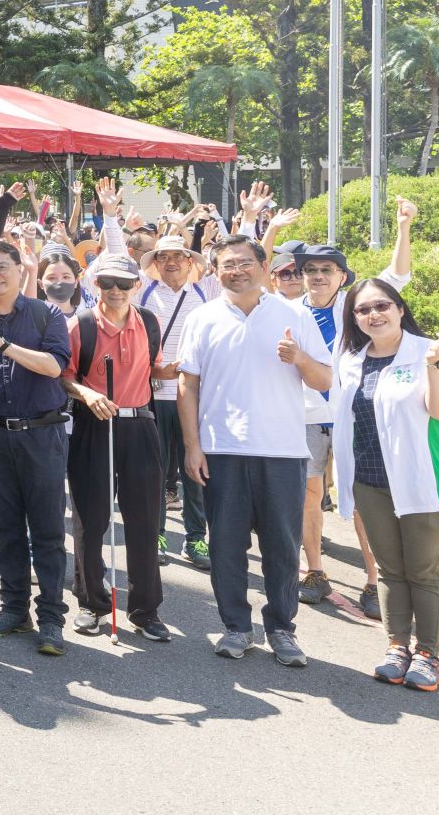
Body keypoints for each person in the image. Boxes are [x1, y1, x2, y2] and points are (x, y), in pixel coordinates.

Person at [178, 235, 332, 668]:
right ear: (215, 270)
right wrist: (193, 447)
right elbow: (188, 385)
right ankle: (236, 626)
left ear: (264, 267)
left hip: (282, 450)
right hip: (222, 449)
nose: (237, 270)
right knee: (225, 544)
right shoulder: (203, 318)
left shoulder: (293, 316)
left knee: (282, 546)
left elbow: (323, 380)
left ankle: (281, 628)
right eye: (228, 264)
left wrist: (299, 358)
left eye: (245, 262)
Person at [332, 279, 439, 691]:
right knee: (391, 570)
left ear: (399, 308)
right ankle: (397, 646)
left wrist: (432, 365)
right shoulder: (351, 361)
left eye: (382, 305)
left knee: (426, 571)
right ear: (354, 318)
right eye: (363, 310)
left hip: (429, 480)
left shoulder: (428, 350)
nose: (374, 315)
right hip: (372, 482)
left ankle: (429, 654)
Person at [0, 238, 74, 655]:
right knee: (5, 530)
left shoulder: (47, 314)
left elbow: (54, 367)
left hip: (42, 435)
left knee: (48, 531)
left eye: (2, 266)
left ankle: (53, 618)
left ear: (21, 269)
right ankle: (14, 610)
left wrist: (2, 345)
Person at [294, 197, 415, 614]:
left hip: (355, 419)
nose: (316, 277)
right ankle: (314, 571)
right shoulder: (289, 311)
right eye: (309, 270)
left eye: (325, 270)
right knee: (310, 498)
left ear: (341, 276)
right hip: (308, 418)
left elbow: (397, 277)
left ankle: (373, 580)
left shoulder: (358, 305)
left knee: (363, 500)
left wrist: (403, 227)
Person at [63, 254, 172, 642]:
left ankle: (145, 610)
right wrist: (87, 394)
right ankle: (91, 603)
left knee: (144, 520)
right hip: (95, 426)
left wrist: (172, 370)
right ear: (96, 285)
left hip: (140, 425)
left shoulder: (150, 322)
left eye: (123, 283)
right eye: (107, 282)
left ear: (136, 286)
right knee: (91, 521)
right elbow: (63, 376)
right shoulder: (82, 325)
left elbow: (152, 367)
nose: (115, 290)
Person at [137, 234, 218, 570]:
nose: (171, 262)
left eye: (178, 256)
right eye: (163, 256)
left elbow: (249, 266)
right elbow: (114, 253)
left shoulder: (205, 292)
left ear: (190, 262)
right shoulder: (143, 290)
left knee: (195, 471)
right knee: (154, 471)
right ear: (154, 264)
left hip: (195, 397)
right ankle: (156, 534)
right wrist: (110, 216)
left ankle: (195, 537)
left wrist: (256, 220)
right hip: (153, 395)